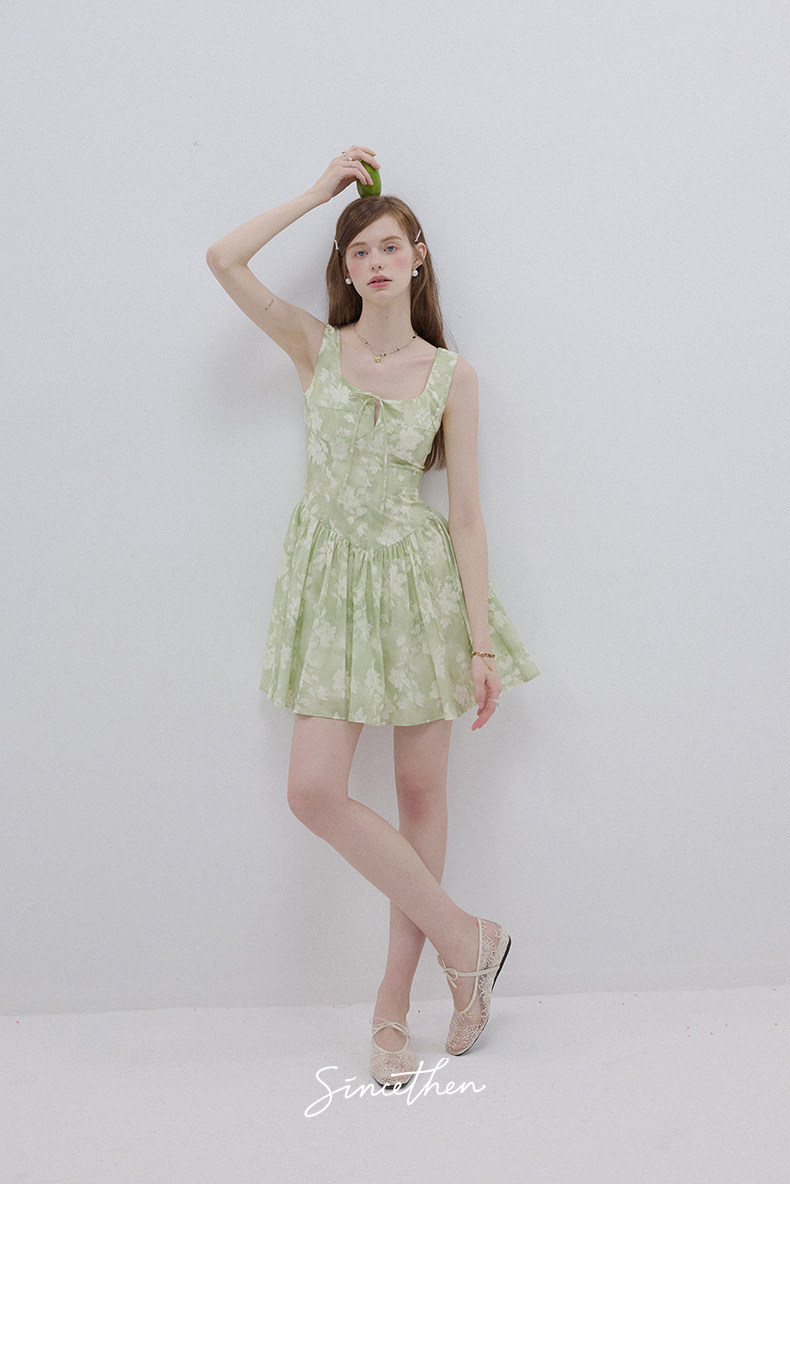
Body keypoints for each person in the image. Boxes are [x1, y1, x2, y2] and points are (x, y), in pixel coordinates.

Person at [206, 146, 540, 1088]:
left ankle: (393, 1008)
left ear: (418, 256)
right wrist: (321, 193)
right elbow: (223, 259)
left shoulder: (451, 376)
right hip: (331, 588)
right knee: (313, 790)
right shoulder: (316, 347)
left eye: (390, 246)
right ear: (345, 270)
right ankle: (467, 939)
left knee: (421, 795)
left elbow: (465, 514)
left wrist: (482, 643)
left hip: (418, 588)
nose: (375, 261)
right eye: (358, 252)